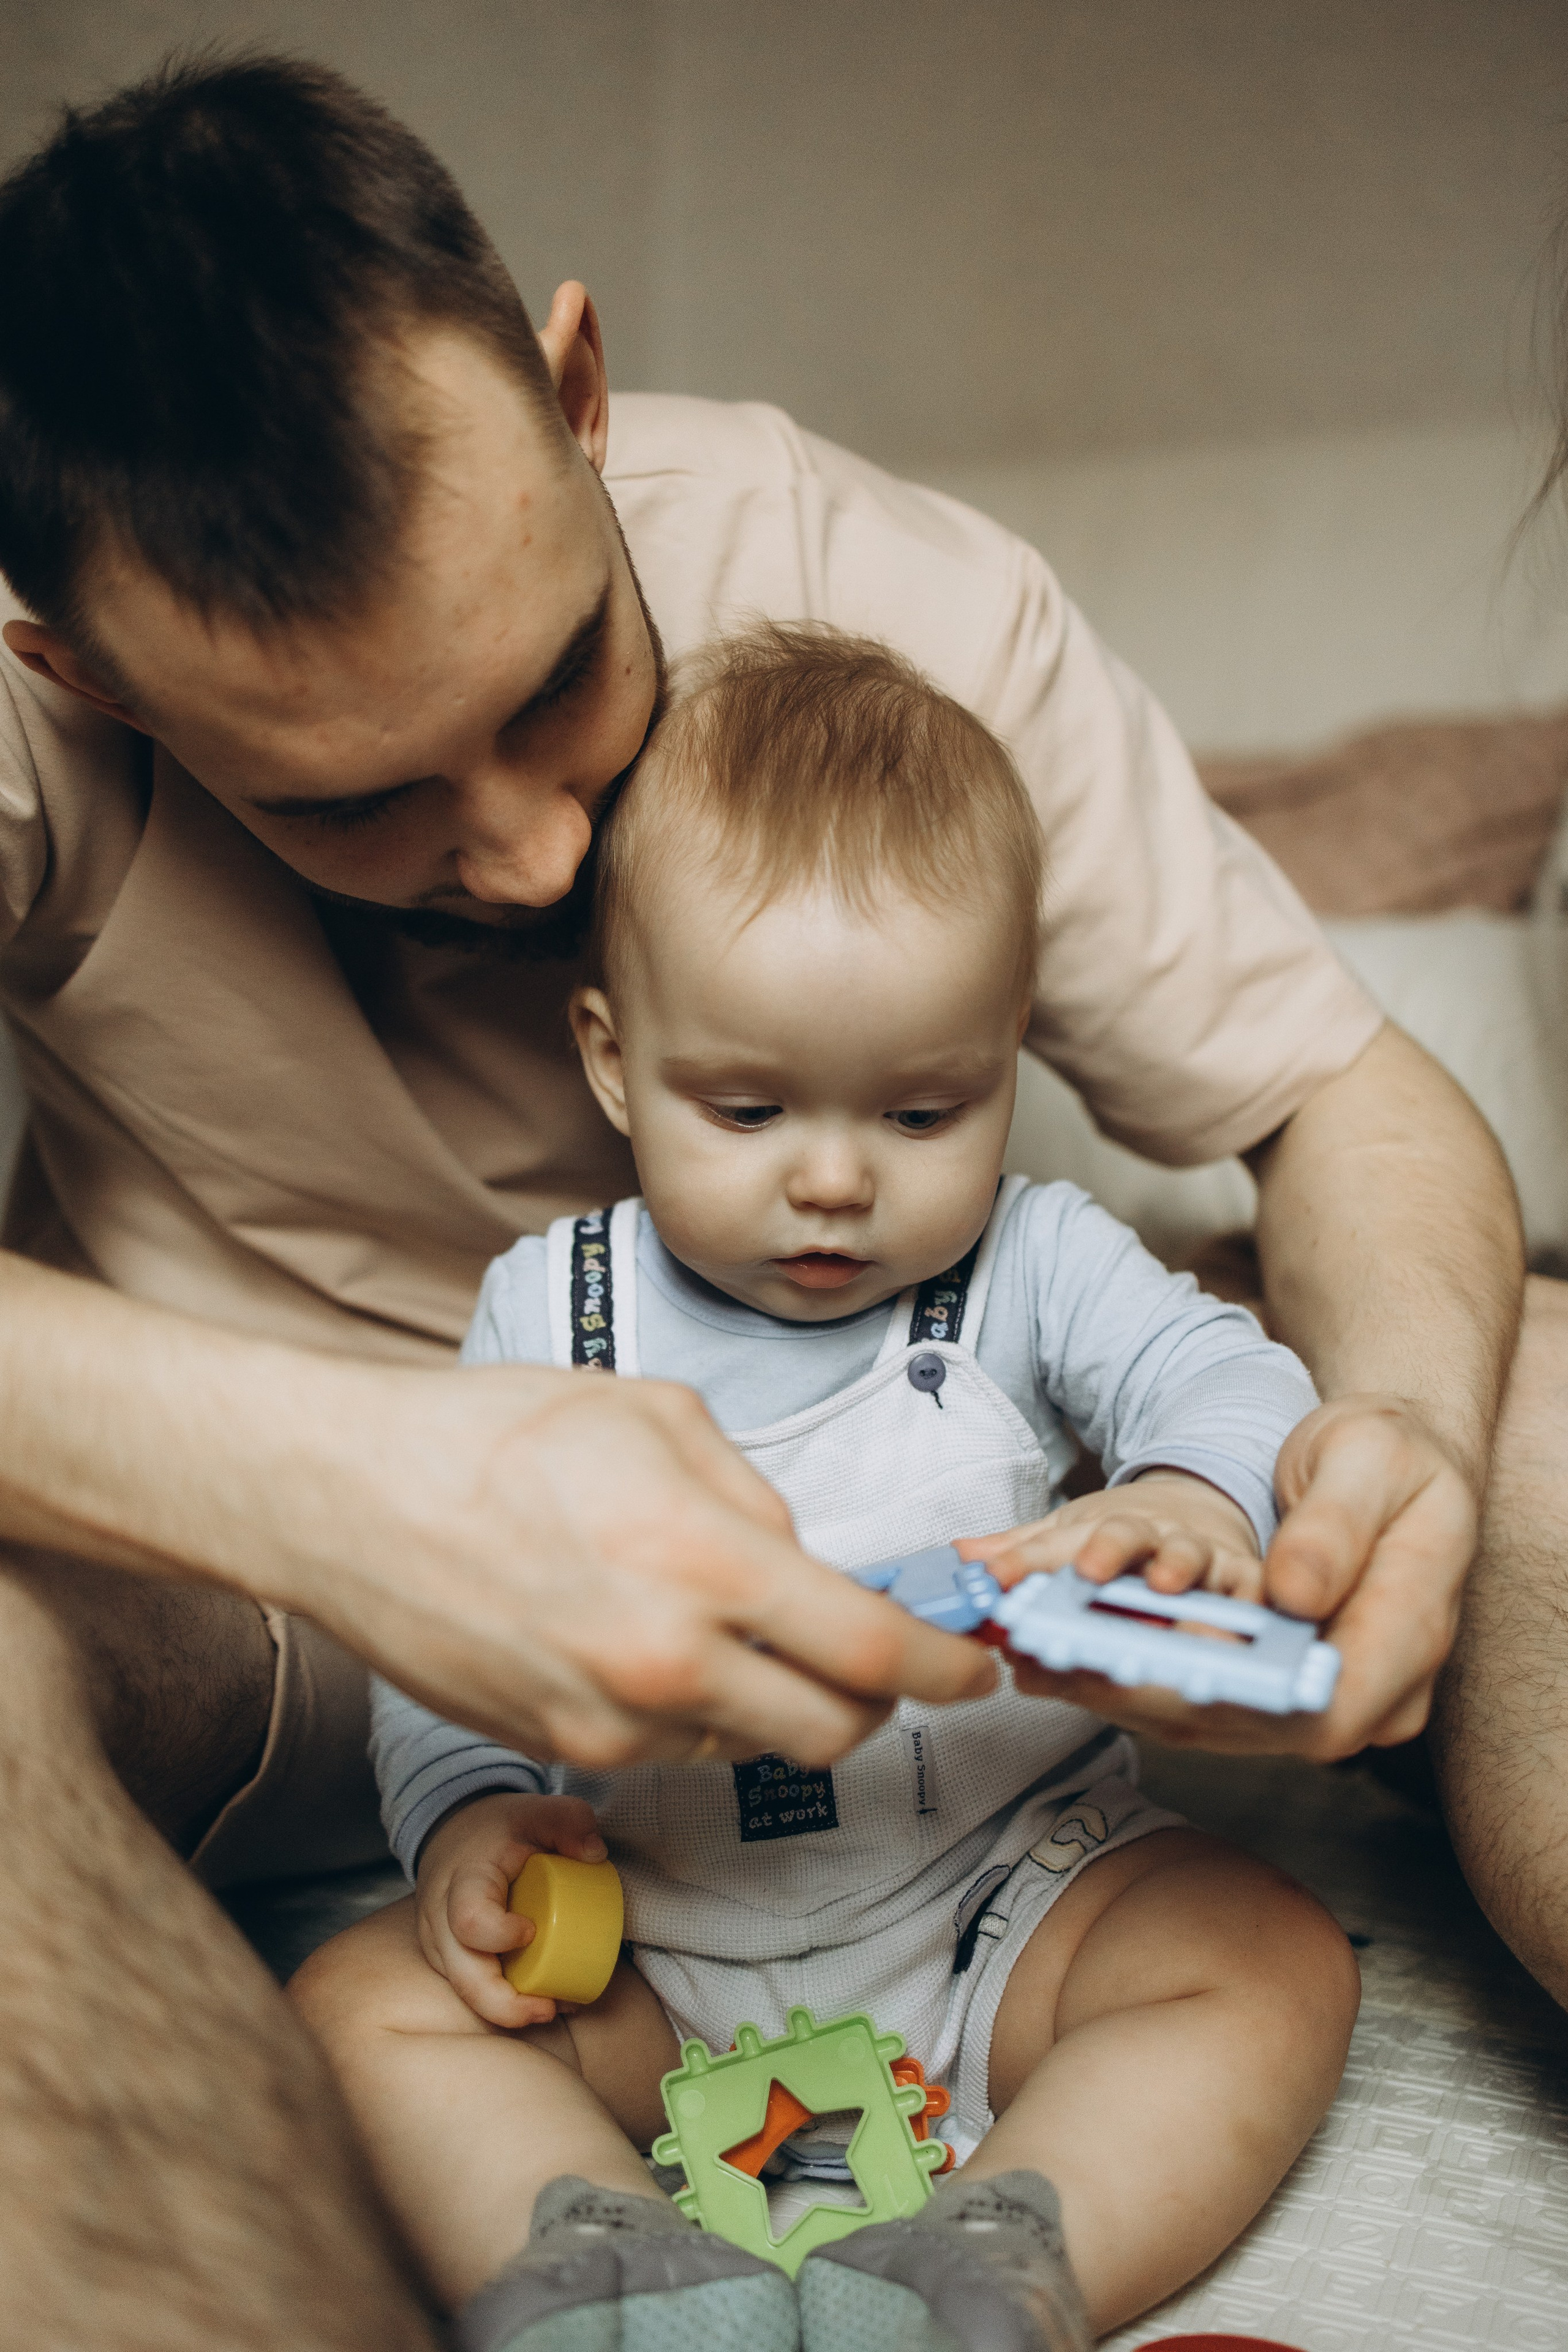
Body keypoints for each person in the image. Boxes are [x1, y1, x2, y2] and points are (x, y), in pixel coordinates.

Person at [0, 49, 1515, 2352]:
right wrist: (350, 1505)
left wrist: (1368, 1444)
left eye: (564, 683)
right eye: (356, 804)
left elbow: (1339, 1100)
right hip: (288, 1611)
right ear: (77, 674)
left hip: (986, 1830)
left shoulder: (876, 607)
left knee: (1531, 1407)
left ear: (572, 390)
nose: (526, 859)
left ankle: (969, 2264)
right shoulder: (34, 721)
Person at [294, 626, 1360, 2352]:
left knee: (1270, 1958)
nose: (837, 1182)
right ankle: (611, 2264)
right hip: (644, 1934)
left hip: (1008, 1899)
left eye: (929, 1110)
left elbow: (1230, 1372)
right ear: (614, 1059)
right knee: (358, 2009)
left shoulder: (1033, 1260)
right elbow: (443, 1618)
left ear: (1009, 1055)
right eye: (748, 1105)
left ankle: (1000, 2253)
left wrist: (1187, 1495)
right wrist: (470, 1817)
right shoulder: (549, 1309)